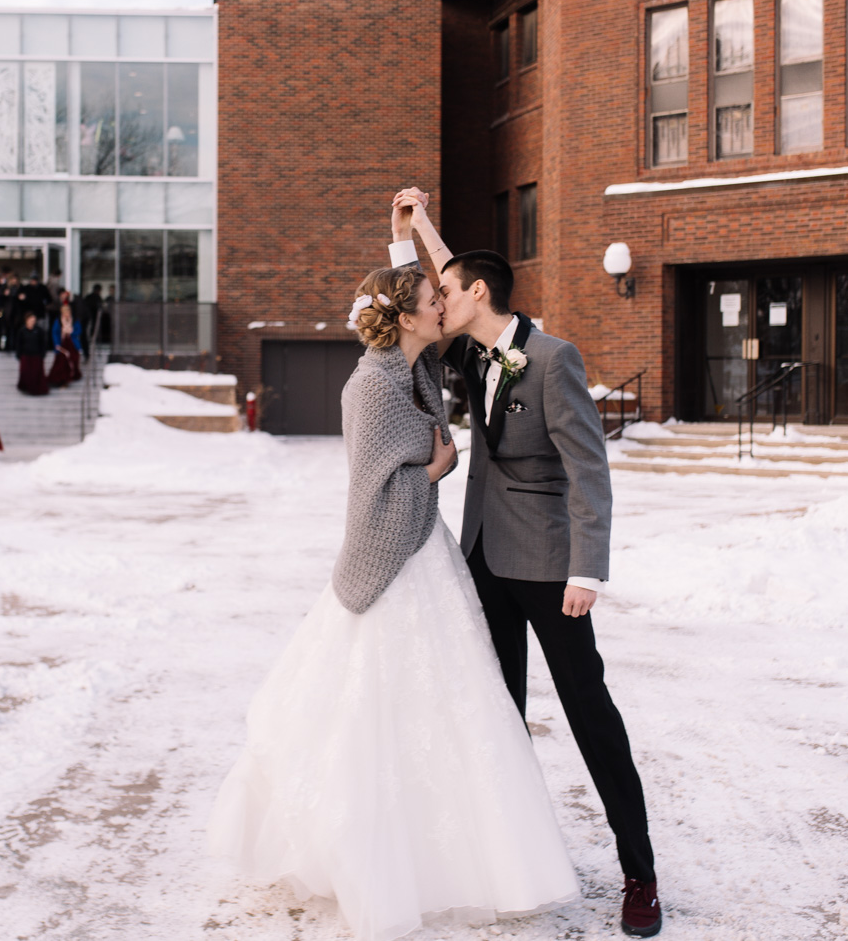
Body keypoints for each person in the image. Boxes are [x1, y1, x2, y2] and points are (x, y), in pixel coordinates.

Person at [210, 264, 579, 941]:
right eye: (433, 299)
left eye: (445, 294)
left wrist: (405, 229)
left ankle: (457, 858)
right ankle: (378, 860)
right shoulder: (369, 386)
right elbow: (369, 494)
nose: (445, 304)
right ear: (407, 318)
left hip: (428, 556)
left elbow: (422, 436)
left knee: (448, 711)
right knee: (374, 712)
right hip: (391, 560)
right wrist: (436, 471)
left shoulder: (416, 370)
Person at [384, 186, 660, 938]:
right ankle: (515, 859)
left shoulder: (551, 358)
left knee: (588, 711)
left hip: (548, 568)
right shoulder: (474, 348)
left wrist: (587, 569)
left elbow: (589, 468)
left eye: (450, 290)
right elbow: (433, 284)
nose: (439, 299)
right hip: (483, 561)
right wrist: (412, 230)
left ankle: (641, 871)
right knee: (497, 715)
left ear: (477, 294)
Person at [14, 311, 51, 396]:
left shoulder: (39, 330)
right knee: (25, 372)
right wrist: (19, 354)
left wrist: (42, 354)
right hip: (26, 355)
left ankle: (36, 389)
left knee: (36, 373)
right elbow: (19, 343)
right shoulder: (22, 331)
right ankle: (26, 387)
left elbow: (43, 343)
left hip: (36, 355)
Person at [48, 303, 83, 387]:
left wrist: (72, 332)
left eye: (68, 311)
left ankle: (72, 375)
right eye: (65, 312)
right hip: (62, 343)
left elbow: (79, 330)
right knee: (61, 361)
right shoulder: (59, 321)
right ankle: (61, 379)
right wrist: (57, 343)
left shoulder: (74, 320)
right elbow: (55, 332)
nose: (67, 313)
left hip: (72, 342)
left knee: (74, 358)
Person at [80, 283, 105, 357]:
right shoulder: (97, 298)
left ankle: (92, 342)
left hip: (86, 320)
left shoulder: (88, 297)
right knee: (91, 333)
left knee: (88, 334)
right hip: (91, 320)